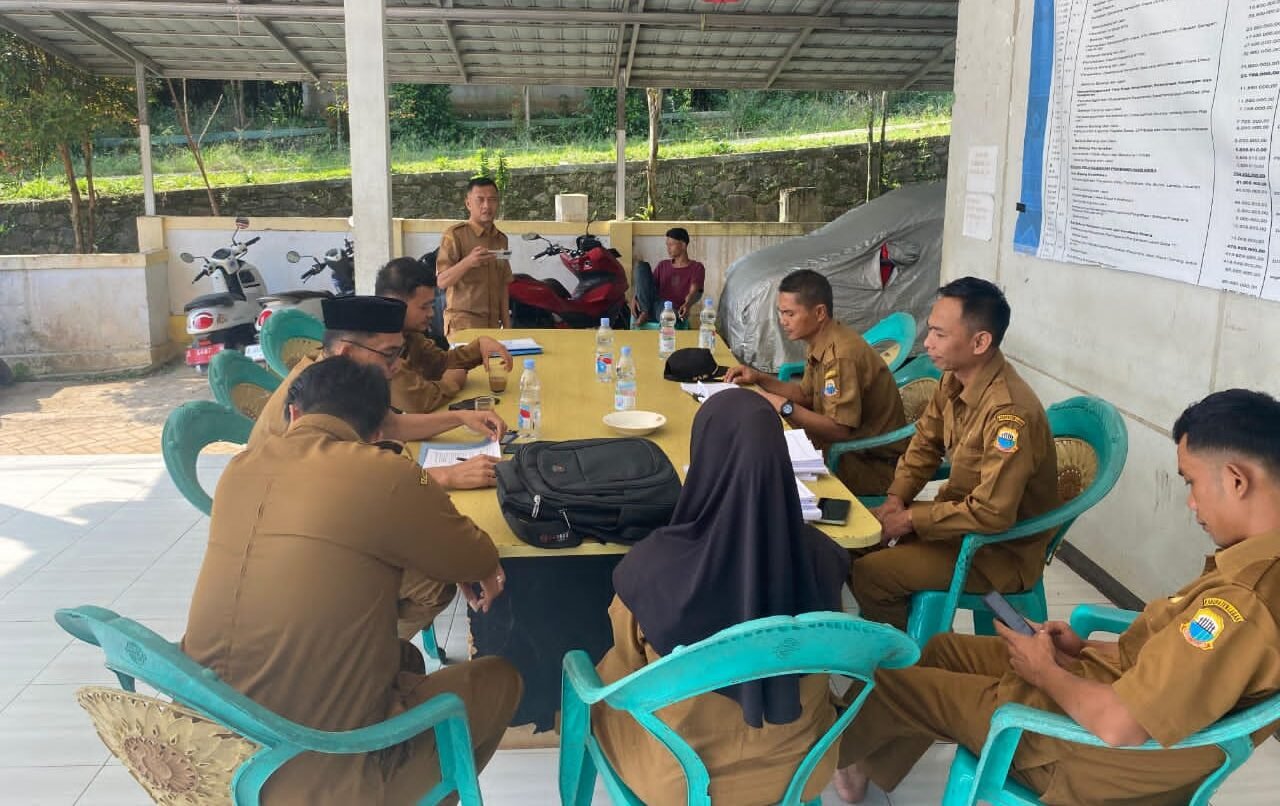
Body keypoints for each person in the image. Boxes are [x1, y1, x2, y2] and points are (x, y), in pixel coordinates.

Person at [833, 388, 1280, 805]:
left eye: (1191, 483)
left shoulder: (1240, 604)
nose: (1191, 504)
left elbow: (1118, 725)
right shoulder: (1253, 570)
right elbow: (1175, 666)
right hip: (1105, 695)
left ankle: (810, 768)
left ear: (1237, 481)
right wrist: (1083, 648)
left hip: (1084, 755)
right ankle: (860, 765)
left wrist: (1045, 671)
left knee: (897, 682)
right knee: (938, 648)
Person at [184, 356, 522, 805]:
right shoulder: (386, 472)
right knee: (499, 679)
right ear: (380, 432)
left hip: (205, 751)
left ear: (294, 414)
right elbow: (477, 555)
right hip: (311, 774)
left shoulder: (239, 470)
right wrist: (462, 562)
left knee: (403, 661)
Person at [592, 389, 851, 804]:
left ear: (703, 459)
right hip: (801, 768)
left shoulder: (652, 569)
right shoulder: (823, 559)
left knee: (602, 678)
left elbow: (628, 664)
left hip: (683, 781)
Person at [851, 277, 1059, 629]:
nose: (927, 343)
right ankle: (905, 645)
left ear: (980, 342)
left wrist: (911, 520)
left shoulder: (1010, 415)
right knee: (853, 541)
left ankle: (908, 669)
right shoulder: (955, 377)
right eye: (930, 331)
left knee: (872, 574)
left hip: (994, 551)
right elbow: (925, 444)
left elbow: (992, 515)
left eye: (939, 335)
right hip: (957, 526)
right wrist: (895, 500)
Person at [250, 295, 504, 492]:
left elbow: (392, 425)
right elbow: (348, 486)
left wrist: (461, 418)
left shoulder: (340, 379)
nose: (396, 366)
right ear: (347, 353)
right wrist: (445, 475)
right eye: (389, 355)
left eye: (399, 353)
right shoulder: (313, 399)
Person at [723, 270, 908, 496]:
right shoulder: (820, 338)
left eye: (790, 314)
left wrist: (783, 405)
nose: (783, 321)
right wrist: (759, 378)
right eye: (781, 313)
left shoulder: (840, 356)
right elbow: (806, 395)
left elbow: (839, 430)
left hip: (869, 464)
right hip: (844, 450)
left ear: (819, 312)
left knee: (766, 471)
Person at [375, 256, 513, 413]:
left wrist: (479, 346)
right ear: (394, 305)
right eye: (424, 307)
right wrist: (451, 382)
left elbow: (440, 363)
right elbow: (419, 402)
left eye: (432, 306)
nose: (431, 313)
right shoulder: (377, 347)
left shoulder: (409, 335)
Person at [436, 177, 511, 335]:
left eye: (492, 200)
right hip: (463, 326)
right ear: (468, 203)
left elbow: (504, 286)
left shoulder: (501, 239)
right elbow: (442, 281)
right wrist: (468, 262)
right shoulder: (455, 235)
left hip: (493, 326)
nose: (486, 206)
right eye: (480, 200)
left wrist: (507, 328)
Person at [631, 227, 706, 326]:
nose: (668, 248)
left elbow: (695, 291)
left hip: (669, 310)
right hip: (651, 304)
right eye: (667, 245)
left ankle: (647, 314)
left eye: (671, 244)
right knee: (641, 266)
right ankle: (644, 312)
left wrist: (687, 305)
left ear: (683, 245)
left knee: (668, 315)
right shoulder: (663, 265)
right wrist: (635, 298)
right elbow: (647, 286)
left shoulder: (696, 267)